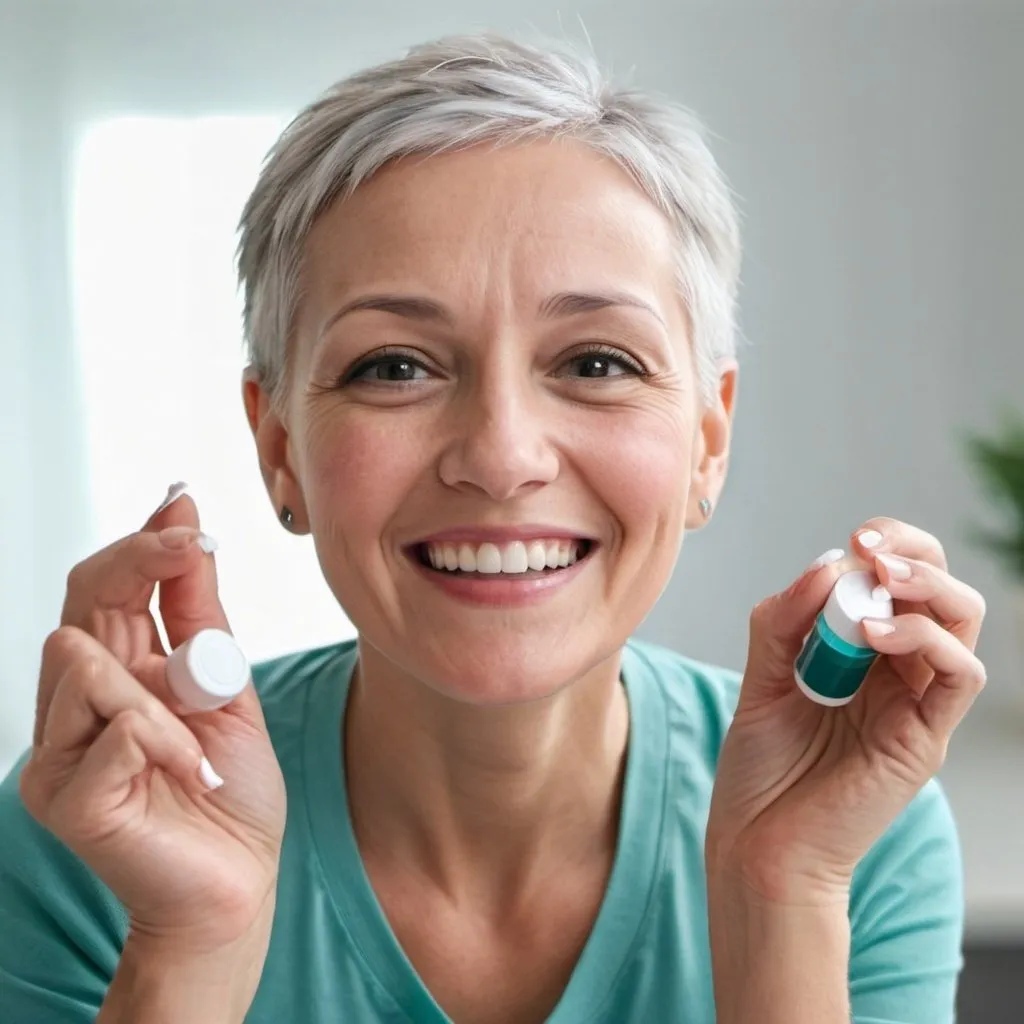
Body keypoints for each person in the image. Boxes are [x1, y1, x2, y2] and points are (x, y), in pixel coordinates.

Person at [0, 33, 986, 1024]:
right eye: (393, 365)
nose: (502, 453)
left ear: (706, 440)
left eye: (597, 362)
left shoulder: (856, 829)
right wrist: (190, 944)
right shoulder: (100, 828)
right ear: (280, 450)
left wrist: (782, 891)